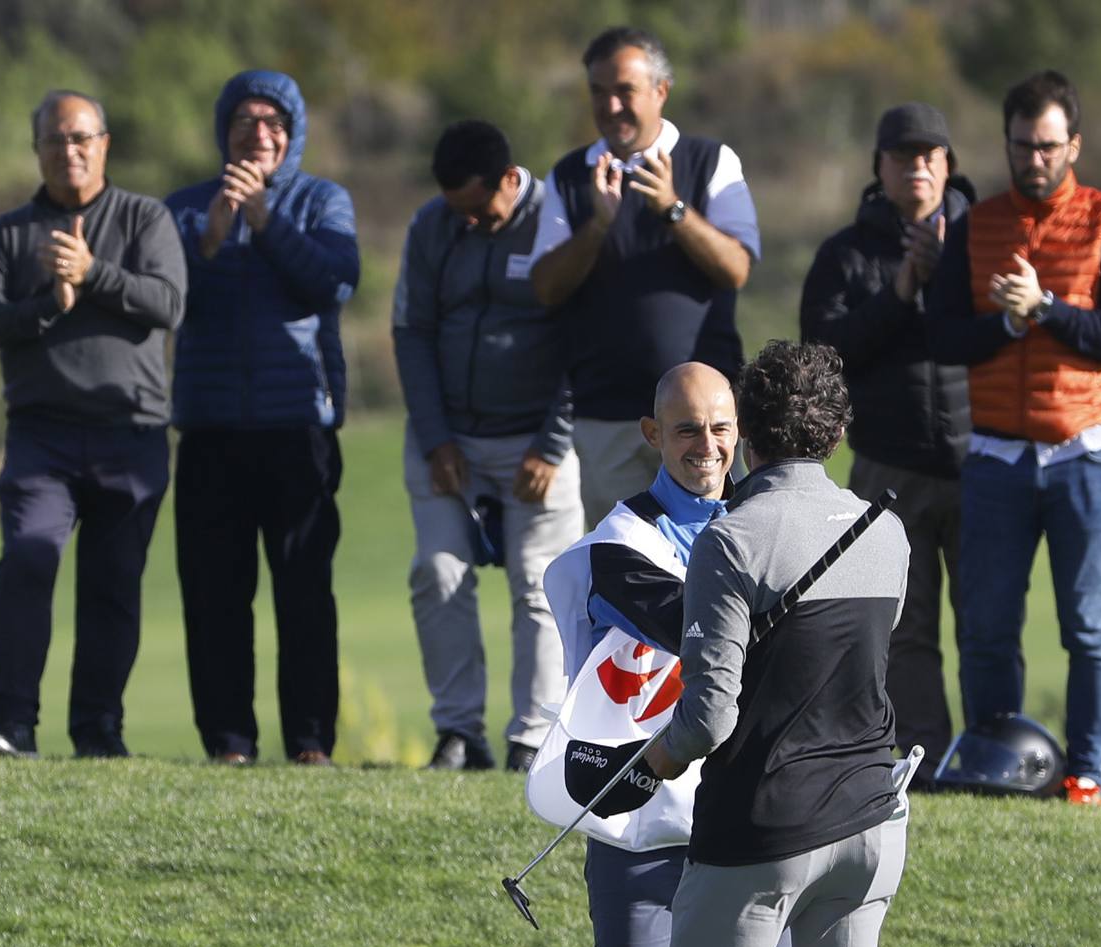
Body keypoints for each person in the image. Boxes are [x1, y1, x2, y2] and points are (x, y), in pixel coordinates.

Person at [643, 340, 910, 947]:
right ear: (834, 429)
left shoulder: (731, 536)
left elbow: (707, 719)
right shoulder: (885, 530)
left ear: (748, 428)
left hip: (764, 822)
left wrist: (654, 762)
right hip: (871, 817)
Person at [540, 363, 799, 947]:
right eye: (688, 432)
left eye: (724, 430)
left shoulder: (765, 526)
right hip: (643, 825)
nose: (709, 449)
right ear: (652, 435)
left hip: (750, 829)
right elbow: (692, 630)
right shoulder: (623, 541)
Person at [927, 70, 1101, 805]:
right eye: (1022, 145)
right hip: (995, 456)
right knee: (986, 624)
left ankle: (1086, 773)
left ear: (1073, 144)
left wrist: (1045, 308)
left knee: (1088, 627)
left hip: (1086, 452)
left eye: (1048, 146)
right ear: (1007, 143)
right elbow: (944, 337)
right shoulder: (975, 225)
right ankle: (995, 764)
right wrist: (1006, 323)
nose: (1034, 159)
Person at [0, 90, 186, 759]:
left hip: (131, 433)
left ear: (105, 144)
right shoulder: (8, 234)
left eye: (82, 138)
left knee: (112, 585)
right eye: (56, 140)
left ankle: (97, 729)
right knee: (28, 559)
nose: (70, 152)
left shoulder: (147, 219)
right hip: (42, 438)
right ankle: (11, 722)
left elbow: (168, 303)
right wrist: (44, 308)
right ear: (38, 151)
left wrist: (94, 274)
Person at [164, 70, 361, 766]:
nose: (260, 134)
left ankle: (309, 743)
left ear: (293, 132)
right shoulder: (185, 210)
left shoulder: (321, 201)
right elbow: (162, 298)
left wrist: (264, 224)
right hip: (209, 430)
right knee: (214, 597)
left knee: (304, 591)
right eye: (246, 122)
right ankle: (228, 743)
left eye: (274, 122)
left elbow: (333, 279)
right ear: (225, 132)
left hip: (298, 426)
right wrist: (211, 239)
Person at [393, 120, 583, 772]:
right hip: (448, 440)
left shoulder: (557, 218)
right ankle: (458, 734)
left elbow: (581, 343)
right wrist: (436, 438)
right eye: (457, 212)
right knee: (437, 574)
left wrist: (551, 443)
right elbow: (412, 332)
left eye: (480, 209)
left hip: (535, 441)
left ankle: (531, 740)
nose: (468, 222)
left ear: (511, 179)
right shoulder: (431, 226)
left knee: (539, 584)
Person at [530, 26, 761, 528]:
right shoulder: (570, 177)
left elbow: (736, 267)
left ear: (661, 91)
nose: (610, 106)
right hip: (607, 418)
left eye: (624, 91)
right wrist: (598, 226)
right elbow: (546, 287)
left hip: (704, 423)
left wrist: (673, 208)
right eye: (598, 91)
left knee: (720, 561)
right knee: (622, 576)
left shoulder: (710, 162)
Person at [801, 102, 975, 762]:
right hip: (886, 468)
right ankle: (922, 758)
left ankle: (989, 756)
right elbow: (825, 352)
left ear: (948, 167)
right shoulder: (845, 254)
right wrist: (901, 289)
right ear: (879, 168)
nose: (917, 168)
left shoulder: (980, 240)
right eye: (903, 157)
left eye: (930, 156)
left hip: (975, 462)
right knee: (905, 628)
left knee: (984, 626)